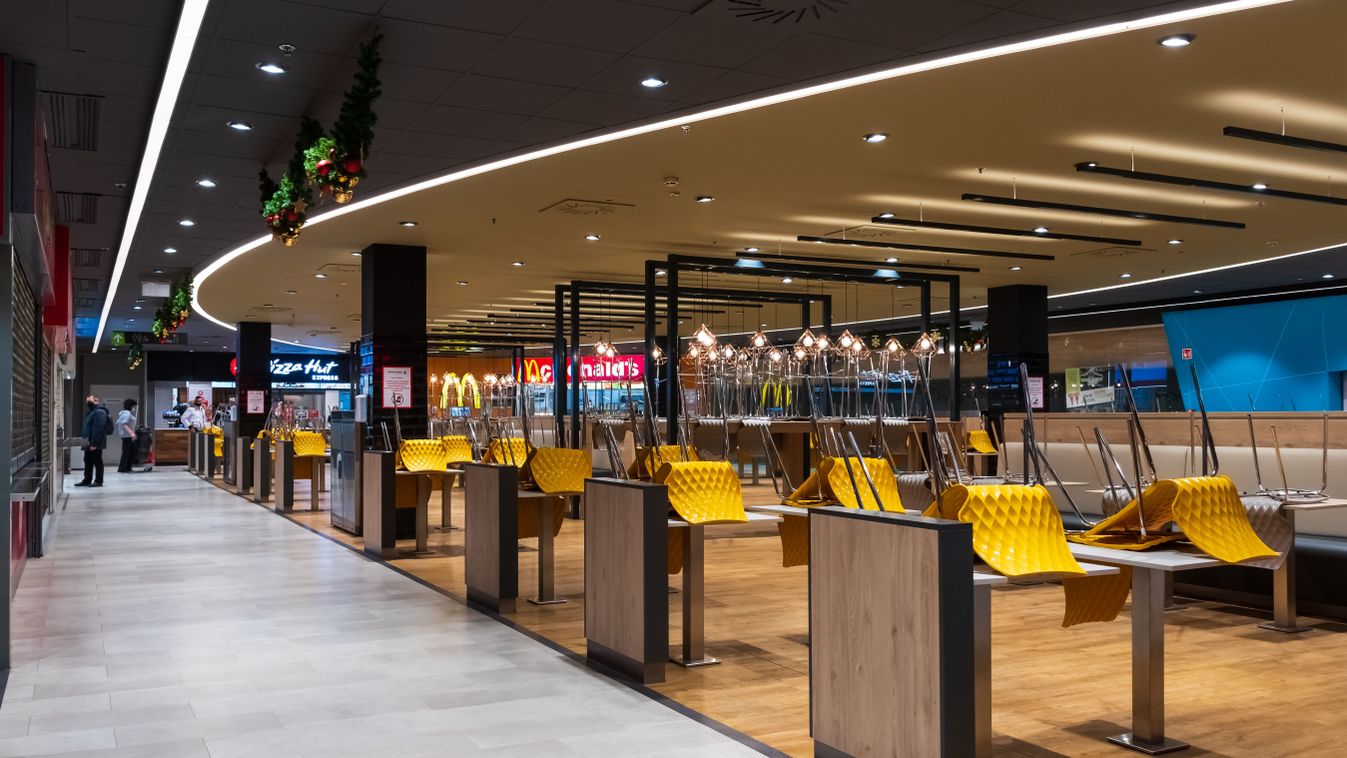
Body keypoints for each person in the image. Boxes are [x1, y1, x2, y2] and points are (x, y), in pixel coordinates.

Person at [76, 395, 111, 487]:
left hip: (94, 442)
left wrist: (94, 443)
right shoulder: (93, 412)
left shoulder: (100, 412)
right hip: (88, 442)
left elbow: (98, 428)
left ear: (96, 400)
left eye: (89, 399)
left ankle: (99, 481)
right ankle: (87, 480)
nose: (87, 401)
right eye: (87, 400)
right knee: (87, 461)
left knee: (97, 461)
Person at [116, 398, 139, 473]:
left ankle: (127, 467)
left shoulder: (124, 413)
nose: (134, 408)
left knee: (129, 452)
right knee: (126, 452)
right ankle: (123, 468)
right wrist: (132, 433)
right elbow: (124, 424)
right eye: (134, 406)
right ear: (131, 406)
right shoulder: (127, 414)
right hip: (127, 436)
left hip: (126, 436)